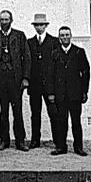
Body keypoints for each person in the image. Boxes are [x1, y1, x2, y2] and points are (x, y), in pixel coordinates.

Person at [0, 10, 30, 151]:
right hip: (0, 80)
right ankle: (3, 140)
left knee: (17, 112)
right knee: (2, 112)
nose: (4, 22)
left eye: (6, 19)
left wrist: (25, 78)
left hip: (15, 80)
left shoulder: (19, 36)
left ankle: (20, 141)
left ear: (11, 20)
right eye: (2, 20)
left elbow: (27, 58)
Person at [45, 25, 91, 156]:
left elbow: (85, 72)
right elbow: (49, 75)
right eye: (62, 35)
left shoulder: (79, 52)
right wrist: (51, 93)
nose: (65, 37)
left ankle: (78, 147)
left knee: (76, 121)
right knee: (61, 121)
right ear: (59, 38)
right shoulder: (54, 53)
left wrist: (84, 91)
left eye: (67, 35)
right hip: (60, 94)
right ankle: (61, 146)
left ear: (71, 36)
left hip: (75, 94)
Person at [26, 16, 56, 148]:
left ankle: (57, 139)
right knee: (35, 113)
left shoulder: (53, 41)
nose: (39, 27)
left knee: (53, 113)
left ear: (46, 26)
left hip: (49, 85)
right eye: (37, 25)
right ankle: (35, 140)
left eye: (41, 25)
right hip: (35, 84)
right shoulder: (29, 42)